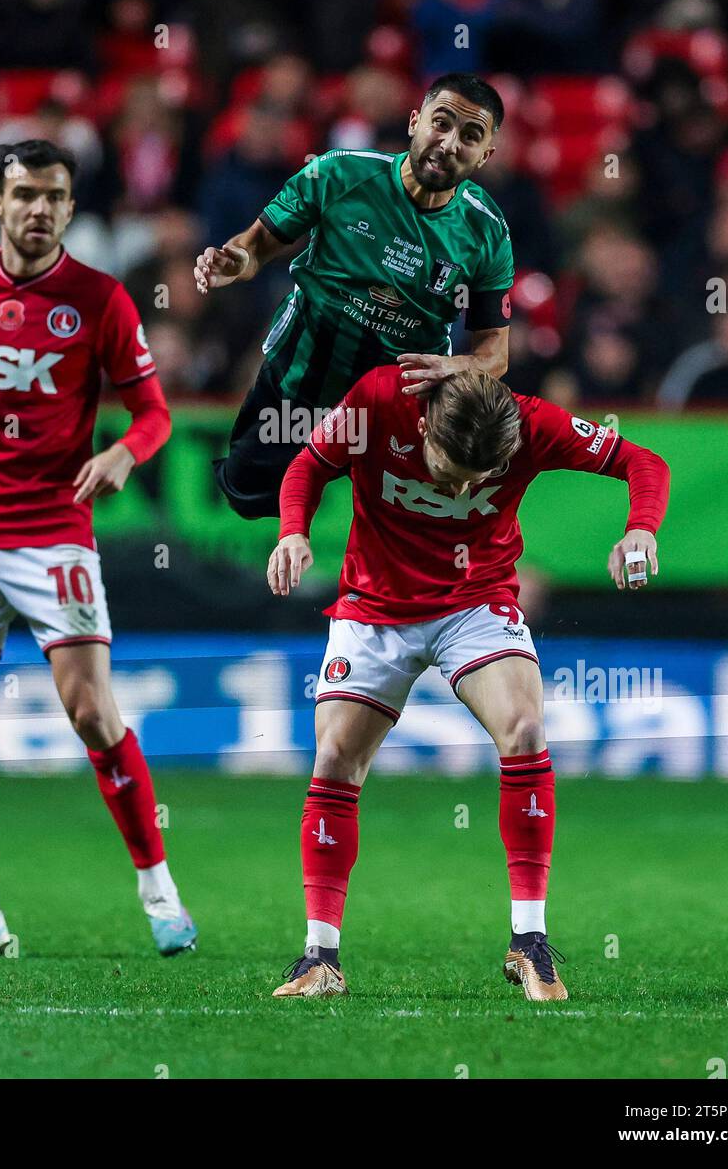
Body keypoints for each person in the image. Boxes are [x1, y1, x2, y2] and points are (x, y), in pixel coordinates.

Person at [265, 364, 670, 1000]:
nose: (465, 487)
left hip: (474, 602)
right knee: (335, 757)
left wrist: (640, 527)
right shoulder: (378, 398)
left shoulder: (533, 423)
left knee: (526, 727)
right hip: (376, 606)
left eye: (482, 476)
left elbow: (642, 462)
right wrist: (293, 532)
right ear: (422, 424)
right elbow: (309, 464)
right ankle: (320, 958)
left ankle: (529, 941)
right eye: (451, 468)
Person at [0, 139, 197, 958]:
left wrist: (123, 454)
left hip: (52, 532)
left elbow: (155, 412)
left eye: (54, 196)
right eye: (24, 193)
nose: (38, 209)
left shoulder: (99, 300)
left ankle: (160, 895)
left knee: (92, 711)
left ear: (70, 207)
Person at [195, 72, 516, 520]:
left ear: (485, 156)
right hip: (300, 385)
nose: (448, 142)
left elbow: (493, 354)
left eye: (470, 135)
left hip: (399, 409)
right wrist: (235, 261)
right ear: (413, 121)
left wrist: (454, 365)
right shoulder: (339, 173)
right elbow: (256, 247)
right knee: (247, 498)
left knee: (397, 530)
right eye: (440, 123)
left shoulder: (487, 231)